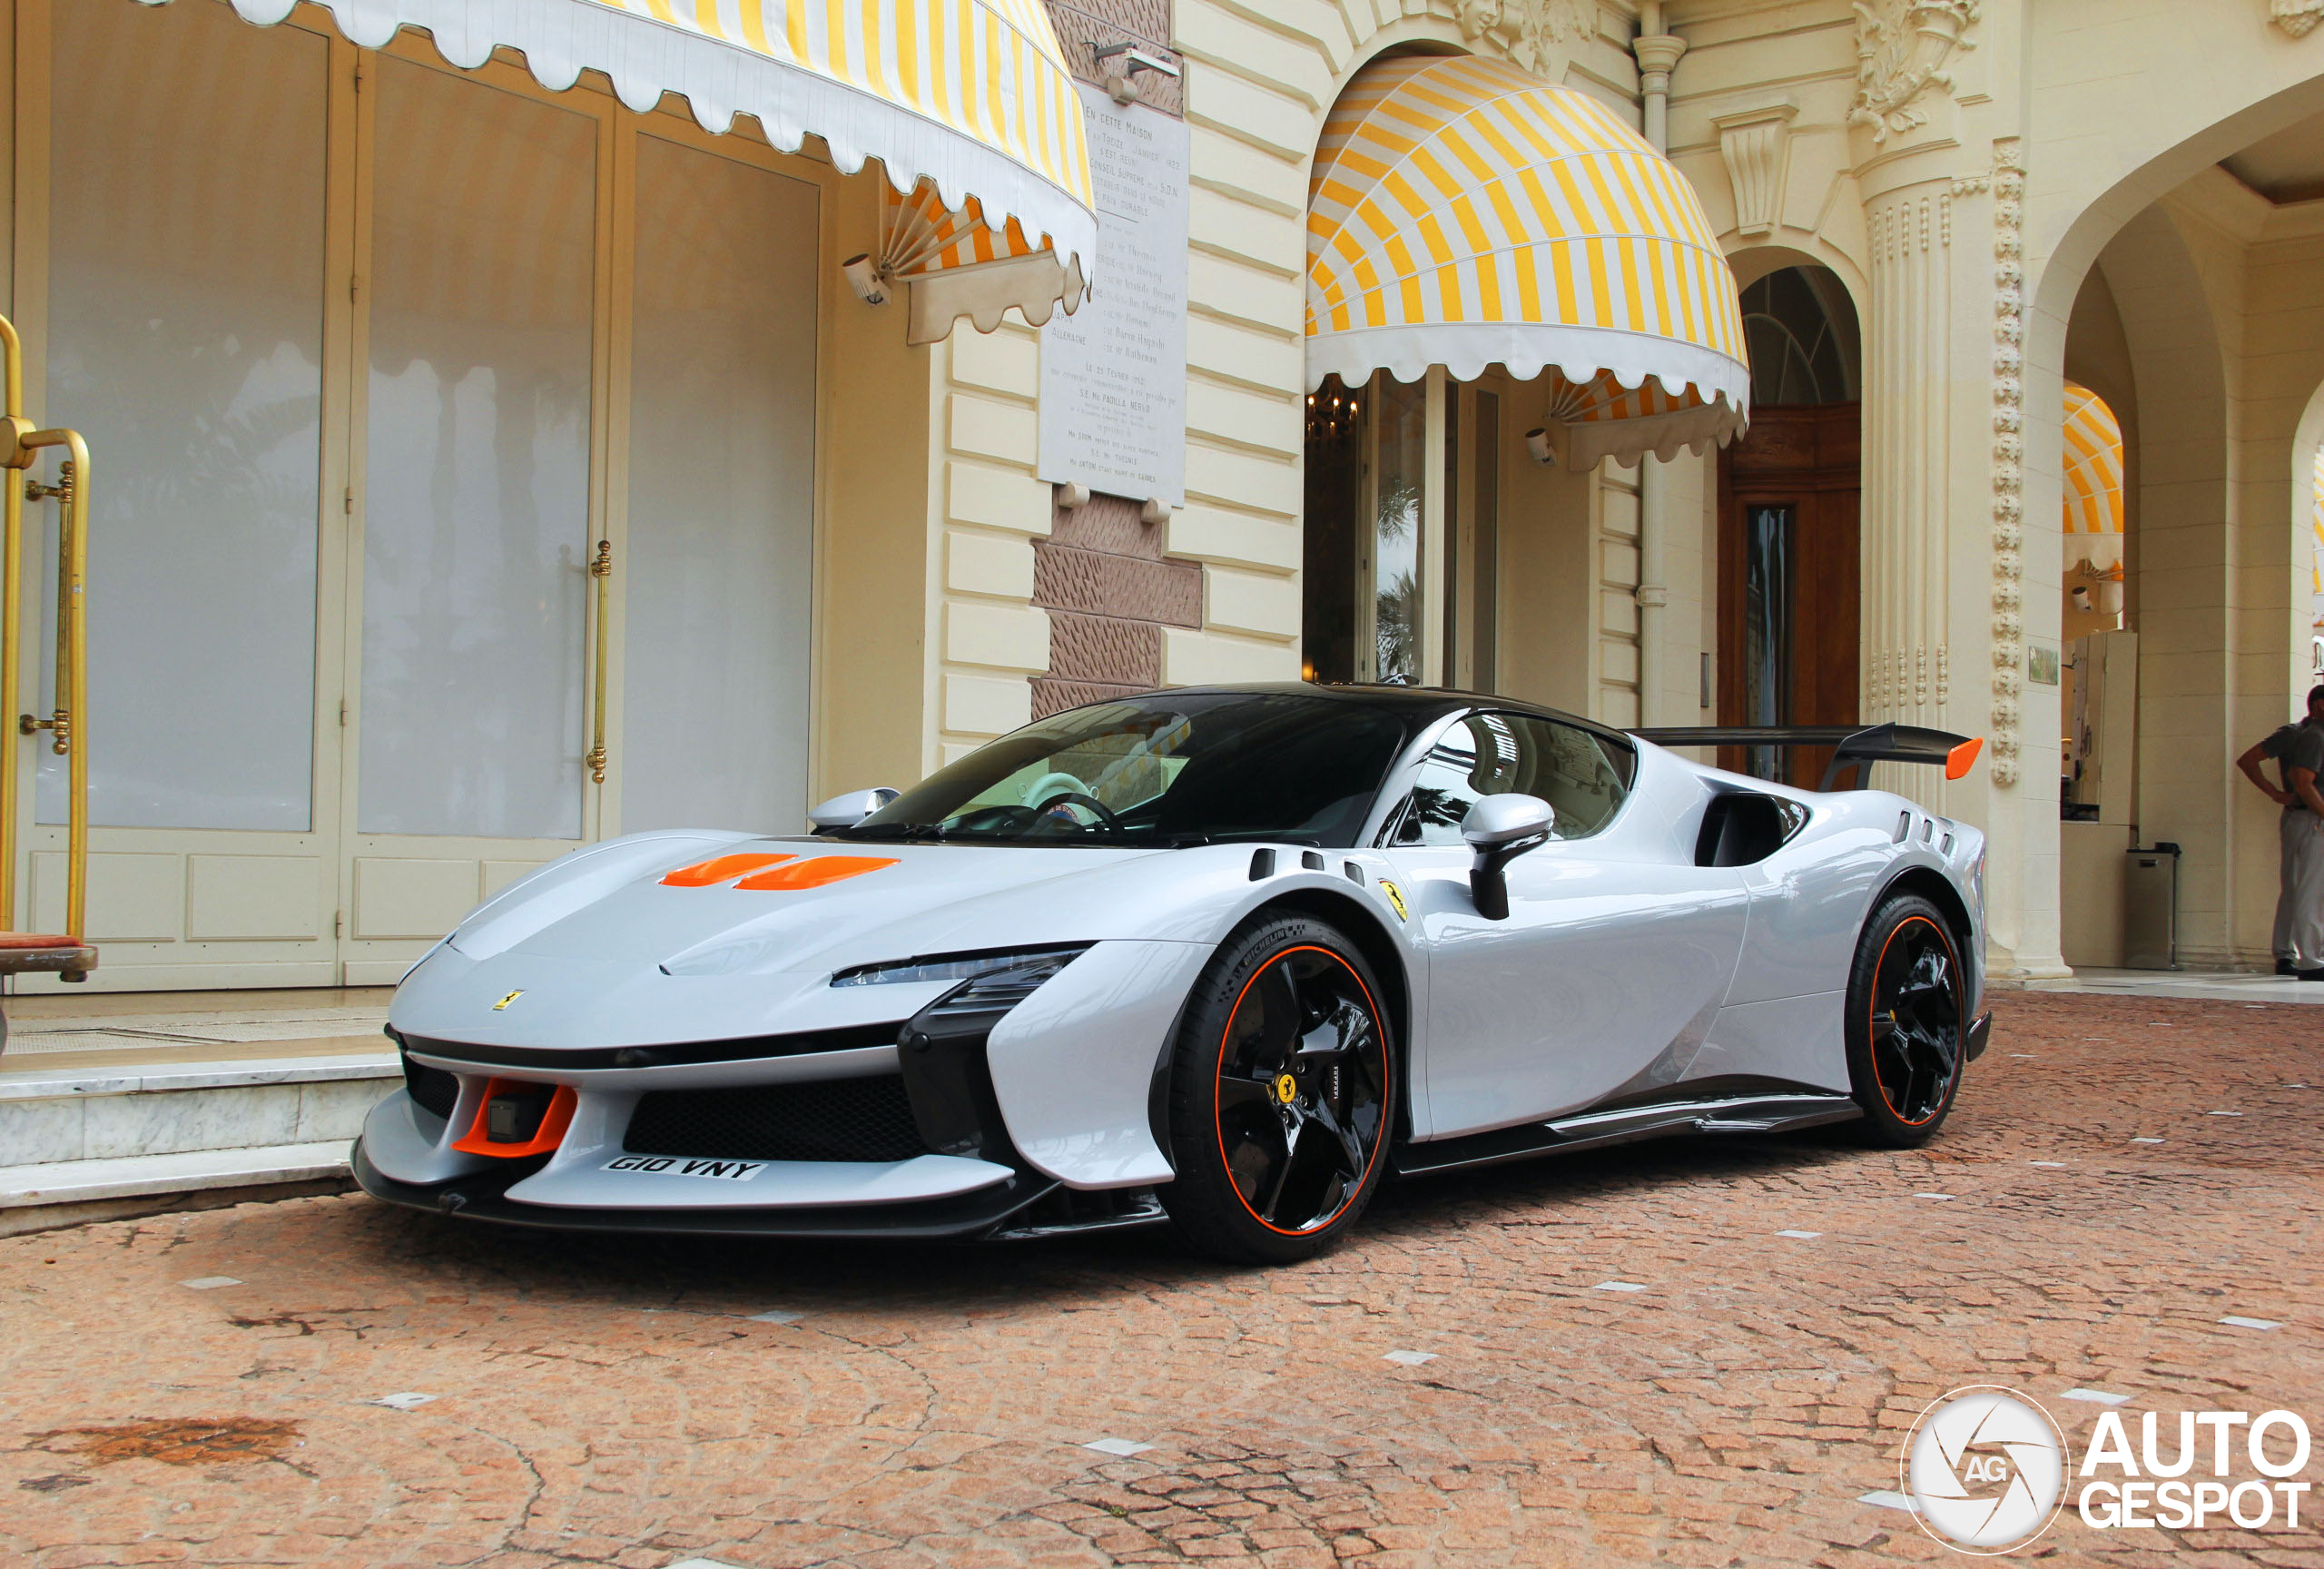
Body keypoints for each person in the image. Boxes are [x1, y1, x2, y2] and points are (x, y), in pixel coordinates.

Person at [2236, 685, 2324, 978]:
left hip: (2305, 816)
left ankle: (2288, 954)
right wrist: (2274, 792)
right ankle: (2304, 957)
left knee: (2298, 886)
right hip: (2305, 816)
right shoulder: (2298, 734)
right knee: (2303, 887)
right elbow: (2248, 760)